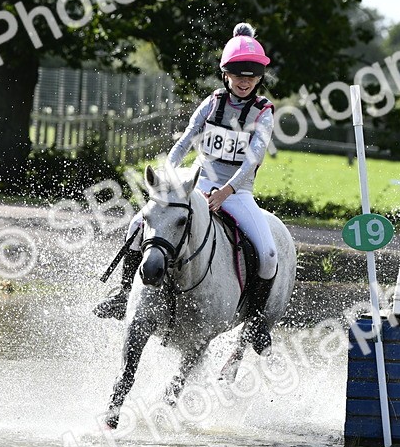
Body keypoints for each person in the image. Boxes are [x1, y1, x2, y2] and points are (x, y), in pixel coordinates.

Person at [94, 22, 279, 353]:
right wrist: (168, 173)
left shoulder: (263, 111)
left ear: (259, 77)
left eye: (251, 74)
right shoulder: (212, 103)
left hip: (238, 192)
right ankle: (124, 295)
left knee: (267, 253)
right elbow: (186, 140)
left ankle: (254, 321)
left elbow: (252, 161)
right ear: (226, 74)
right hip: (198, 181)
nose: (244, 79)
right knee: (138, 225)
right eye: (238, 73)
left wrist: (226, 193)